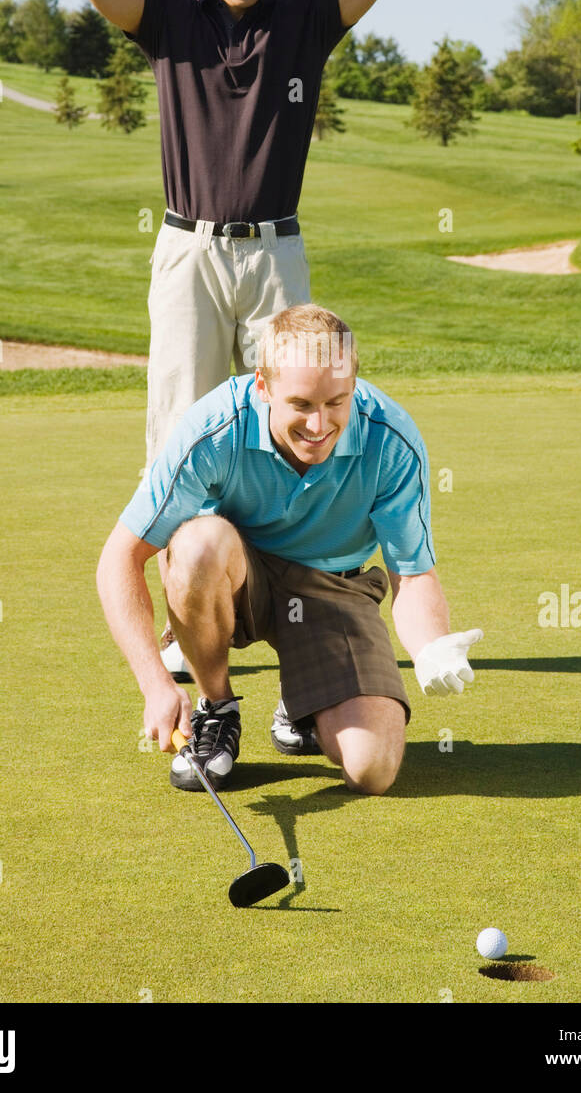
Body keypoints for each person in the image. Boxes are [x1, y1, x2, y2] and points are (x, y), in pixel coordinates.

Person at [61, 0, 409, 741]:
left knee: (298, 434)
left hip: (275, 255)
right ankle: (189, 647)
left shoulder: (304, 21)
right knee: (179, 440)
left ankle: (299, 636)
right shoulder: (170, 20)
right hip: (185, 254)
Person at [96, 305, 483, 796]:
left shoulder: (392, 439)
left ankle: (300, 702)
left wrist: (428, 645)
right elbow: (120, 558)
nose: (319, 424)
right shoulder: (215, 427)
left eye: (337, 402)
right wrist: (154, 682)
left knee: (373, 770)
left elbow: (411, 573)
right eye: (301, 404)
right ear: (263, 386)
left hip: (333, 587)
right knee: (195, 546)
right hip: (237, 579)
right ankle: (217, 708)